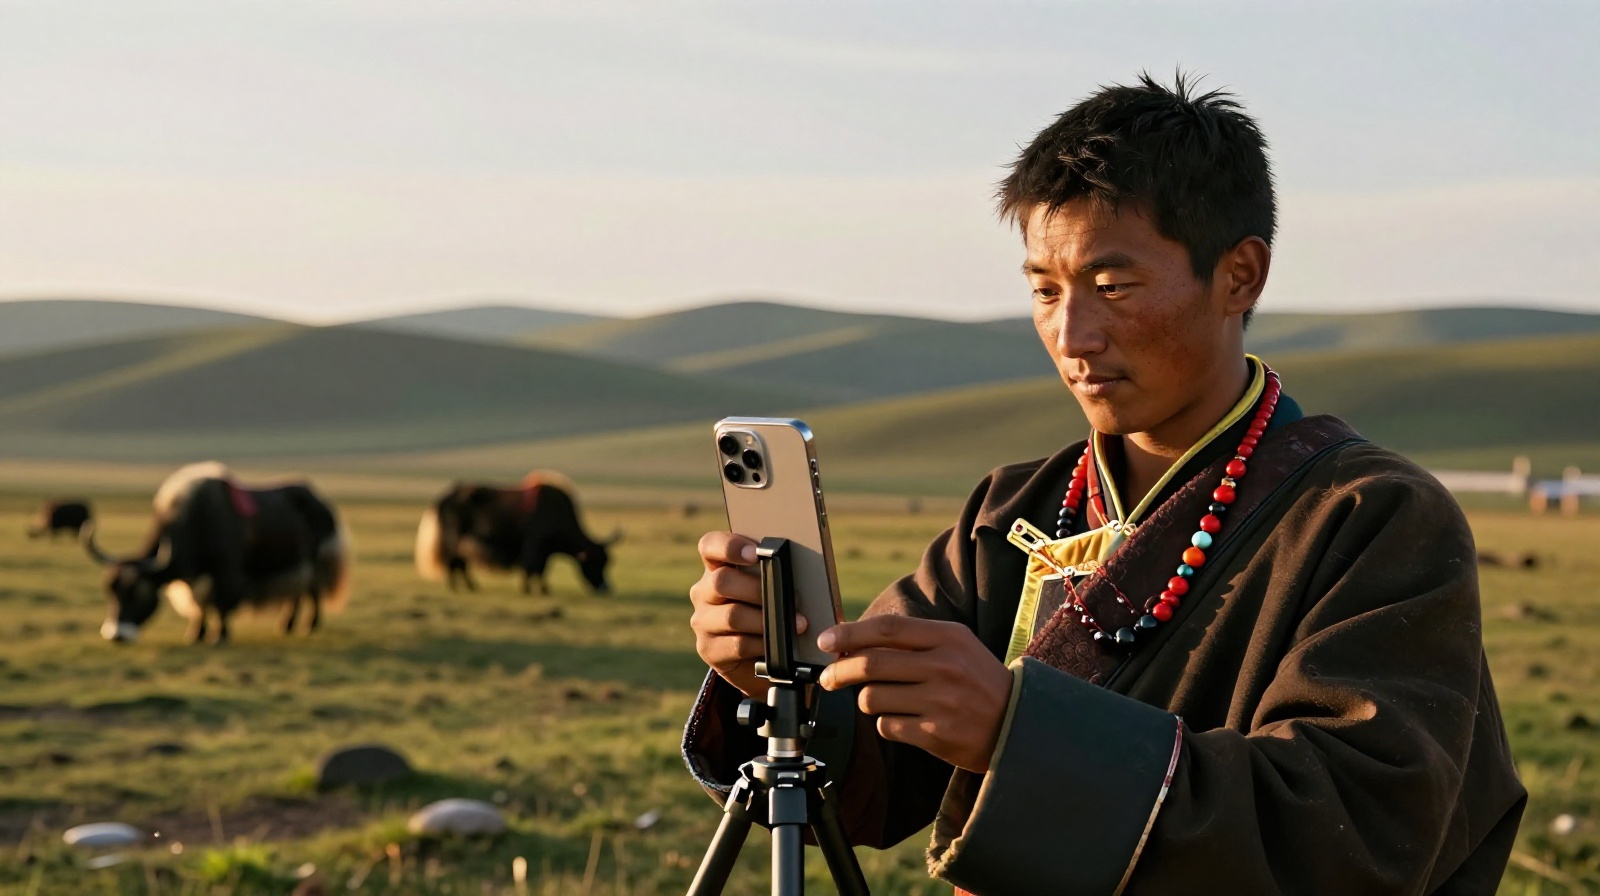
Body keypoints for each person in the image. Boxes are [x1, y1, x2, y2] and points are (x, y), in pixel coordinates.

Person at [683, 73, 1525, 895]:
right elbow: (875, 776)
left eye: (1112, 287)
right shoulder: (1010, 513)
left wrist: (1020, 735)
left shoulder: (1370, 517)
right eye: (1045, 291)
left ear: (1240, 276)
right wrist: (780, 675)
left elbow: (1355, 830)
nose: (1072, 334)